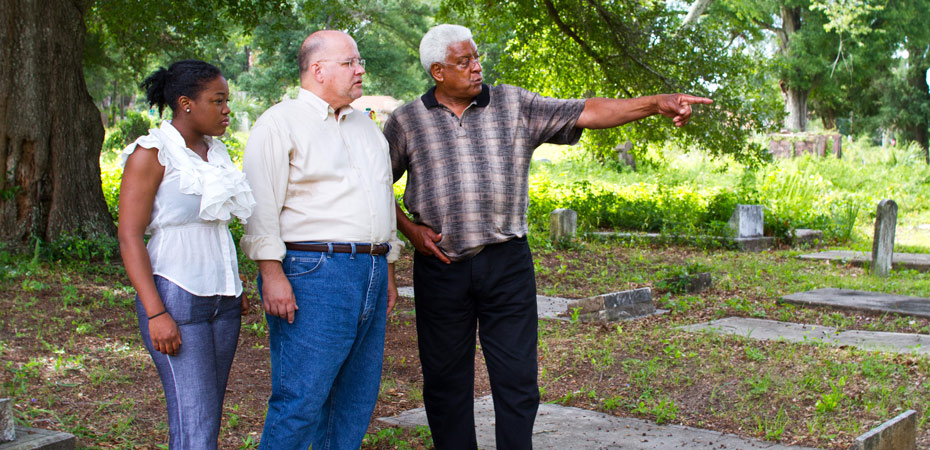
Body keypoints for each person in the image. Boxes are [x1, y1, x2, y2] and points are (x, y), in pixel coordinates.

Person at [383, 24, 713, 450]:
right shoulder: (407, 120)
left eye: (476, 56)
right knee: (446, 383)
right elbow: (375, 185)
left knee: (517, 380)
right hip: (441, 267)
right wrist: (410, 230)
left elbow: (588, 111)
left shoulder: (513, 103)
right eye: (464, 62)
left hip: (507, 265)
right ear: (438, 71)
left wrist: (654, 104)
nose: (476, 66)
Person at [240, 29, 403, 450]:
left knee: (355, 400)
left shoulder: (366, 128)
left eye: (359, 61)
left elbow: (381, 199)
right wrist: (271, 272)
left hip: (369, 268)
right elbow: (260, 206)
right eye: (350, 63)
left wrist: (385, 267)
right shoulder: (280, 123)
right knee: (302, 398)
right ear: (318, 69)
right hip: (313, 271)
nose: (360, 70)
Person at [118, 59, 255, 449]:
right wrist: (155, 312)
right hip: (176, 296)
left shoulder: (218, 153)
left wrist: (234, 283)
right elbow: (129, 236)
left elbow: (216, 226)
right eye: (218, 100)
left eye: (227, 100)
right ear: (186, 103)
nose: (227, 109)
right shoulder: (153, 153)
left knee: (205, 418)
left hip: (224, 299)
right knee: (195, 421)